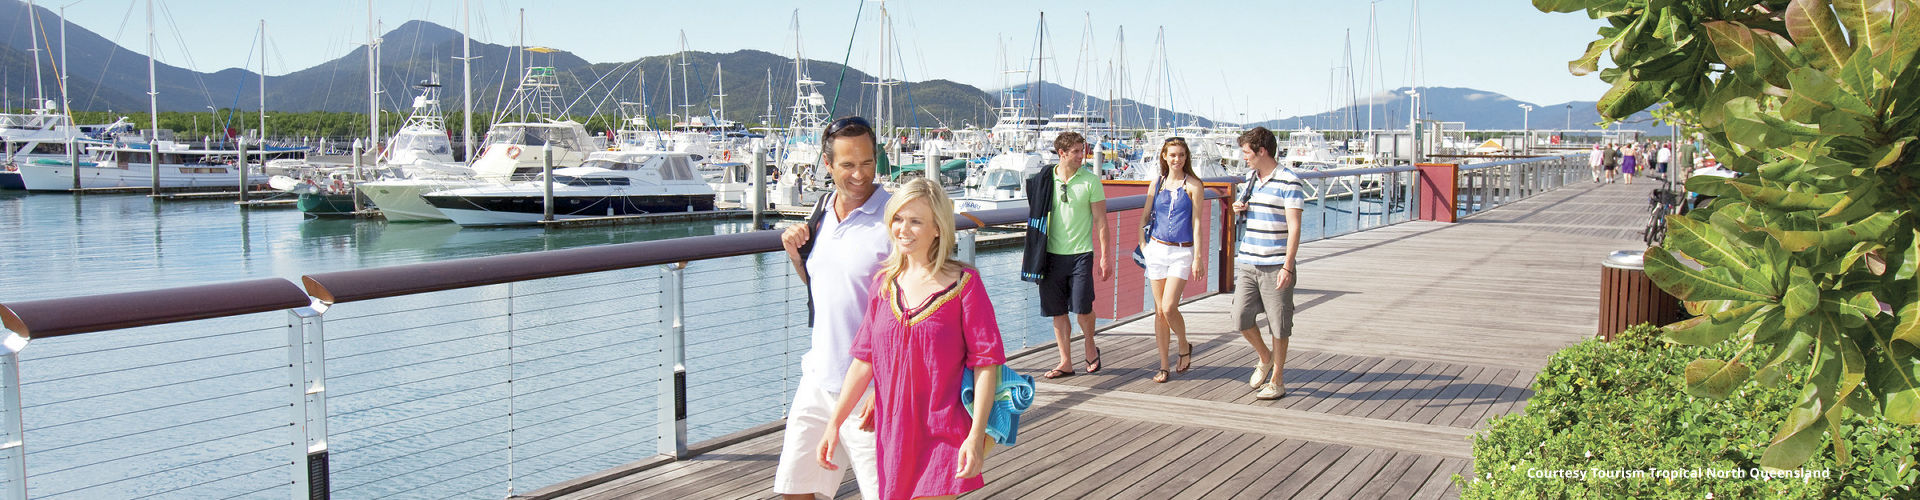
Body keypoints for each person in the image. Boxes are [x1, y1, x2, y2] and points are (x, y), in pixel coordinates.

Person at [818, 178, 1005, 500]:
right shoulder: (883, 285)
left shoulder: (965, 285)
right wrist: (833, 424)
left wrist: (976, 436)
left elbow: (986, 364)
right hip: (895, 437)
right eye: (898, 219)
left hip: (945, 432)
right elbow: (864, 361)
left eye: (916, 221)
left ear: (938, 229)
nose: (903, 229)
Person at [775, 116, 888, 500]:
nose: (860, 175)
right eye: (848, 165)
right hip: (819, 378)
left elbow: (917, 305)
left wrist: (888, 381)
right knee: (796, 490)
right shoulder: (822, 209)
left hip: (873, 387)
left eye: (868, 162)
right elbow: (823, 287)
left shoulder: (896, 217)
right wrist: (795, 255)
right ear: (828, 165)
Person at [1230, 127, 1306, 401]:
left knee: (1279, 324)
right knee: (1240, 317)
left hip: (1276, 264)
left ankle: (1278, 379)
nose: (1244, 158)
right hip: (1249, 260)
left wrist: (1288, 266)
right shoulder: (1251, 179)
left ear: (1262, 151)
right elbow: (1256, 209)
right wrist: (1243, 207)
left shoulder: (1289, 182)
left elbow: (1294, 227)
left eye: (1247, 153)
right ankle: (1265, 356)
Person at [1029, 131, 1112, 379]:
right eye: (1076, 151)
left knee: (1083, 308)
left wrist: (1105, 257)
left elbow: (1101, 222)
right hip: (1050, 255)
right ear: (1061, 153)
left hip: (1081, 254)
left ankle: (1088, 342)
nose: (1081, 155)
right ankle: (1065, 361)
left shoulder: (1090, 181)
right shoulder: (1045, 180)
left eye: (1082, 150)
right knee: (1057, 310)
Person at [1141, 137, 1206, 383]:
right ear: (1164, 157)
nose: (1176, 159)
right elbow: (1146, 214)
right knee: (1159, 312)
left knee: (1169, 307)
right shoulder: (1157, 183)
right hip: (1156, 249)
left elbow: (1197, 223)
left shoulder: (1194, 185)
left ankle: (1183, 344)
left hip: (1181, 251)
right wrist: (1142, 242)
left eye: (1181, 155)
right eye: (1172, 155)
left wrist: (1198, 256)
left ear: (1186, 157)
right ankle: (1163, 365)